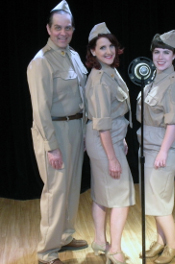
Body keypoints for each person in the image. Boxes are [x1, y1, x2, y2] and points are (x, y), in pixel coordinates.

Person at [27, 1, 88, 263]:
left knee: (72, 187)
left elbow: (82, 97)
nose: (63, 33)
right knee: (55, 191)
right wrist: (51, 146)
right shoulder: (41, 62)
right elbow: (40, 110)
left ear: (72, 29)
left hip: (75, 128)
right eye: (58, 28)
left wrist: (85, 133)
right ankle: (47, 252)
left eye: (68, 28)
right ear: (48, 29)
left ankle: (64, 236)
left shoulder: (73, 55)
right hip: (54, 131)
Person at [84, 22, 135, 264]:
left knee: (102, 194)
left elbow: (112, 113)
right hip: (104, 142)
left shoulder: (109, 71)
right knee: (121, 197)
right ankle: (114, 250)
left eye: (111, 46)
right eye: (102, 47)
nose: (108, 51)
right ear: (92, 51)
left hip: (107, 139)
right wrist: (112, 157)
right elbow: (102, 122)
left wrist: (121, 137)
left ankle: (99, 241)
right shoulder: (100, 78)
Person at [136, 30, 175, 264]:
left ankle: (173, 246)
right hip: (149, 146)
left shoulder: (174, 83)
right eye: (157, 52)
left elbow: (174, 122)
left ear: (174, 55)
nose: (161, 56)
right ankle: (160, 241)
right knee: (153, 199)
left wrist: (163, 152)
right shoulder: (153, 77)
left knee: (160, 200)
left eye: (166, 52)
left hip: (163, 148)